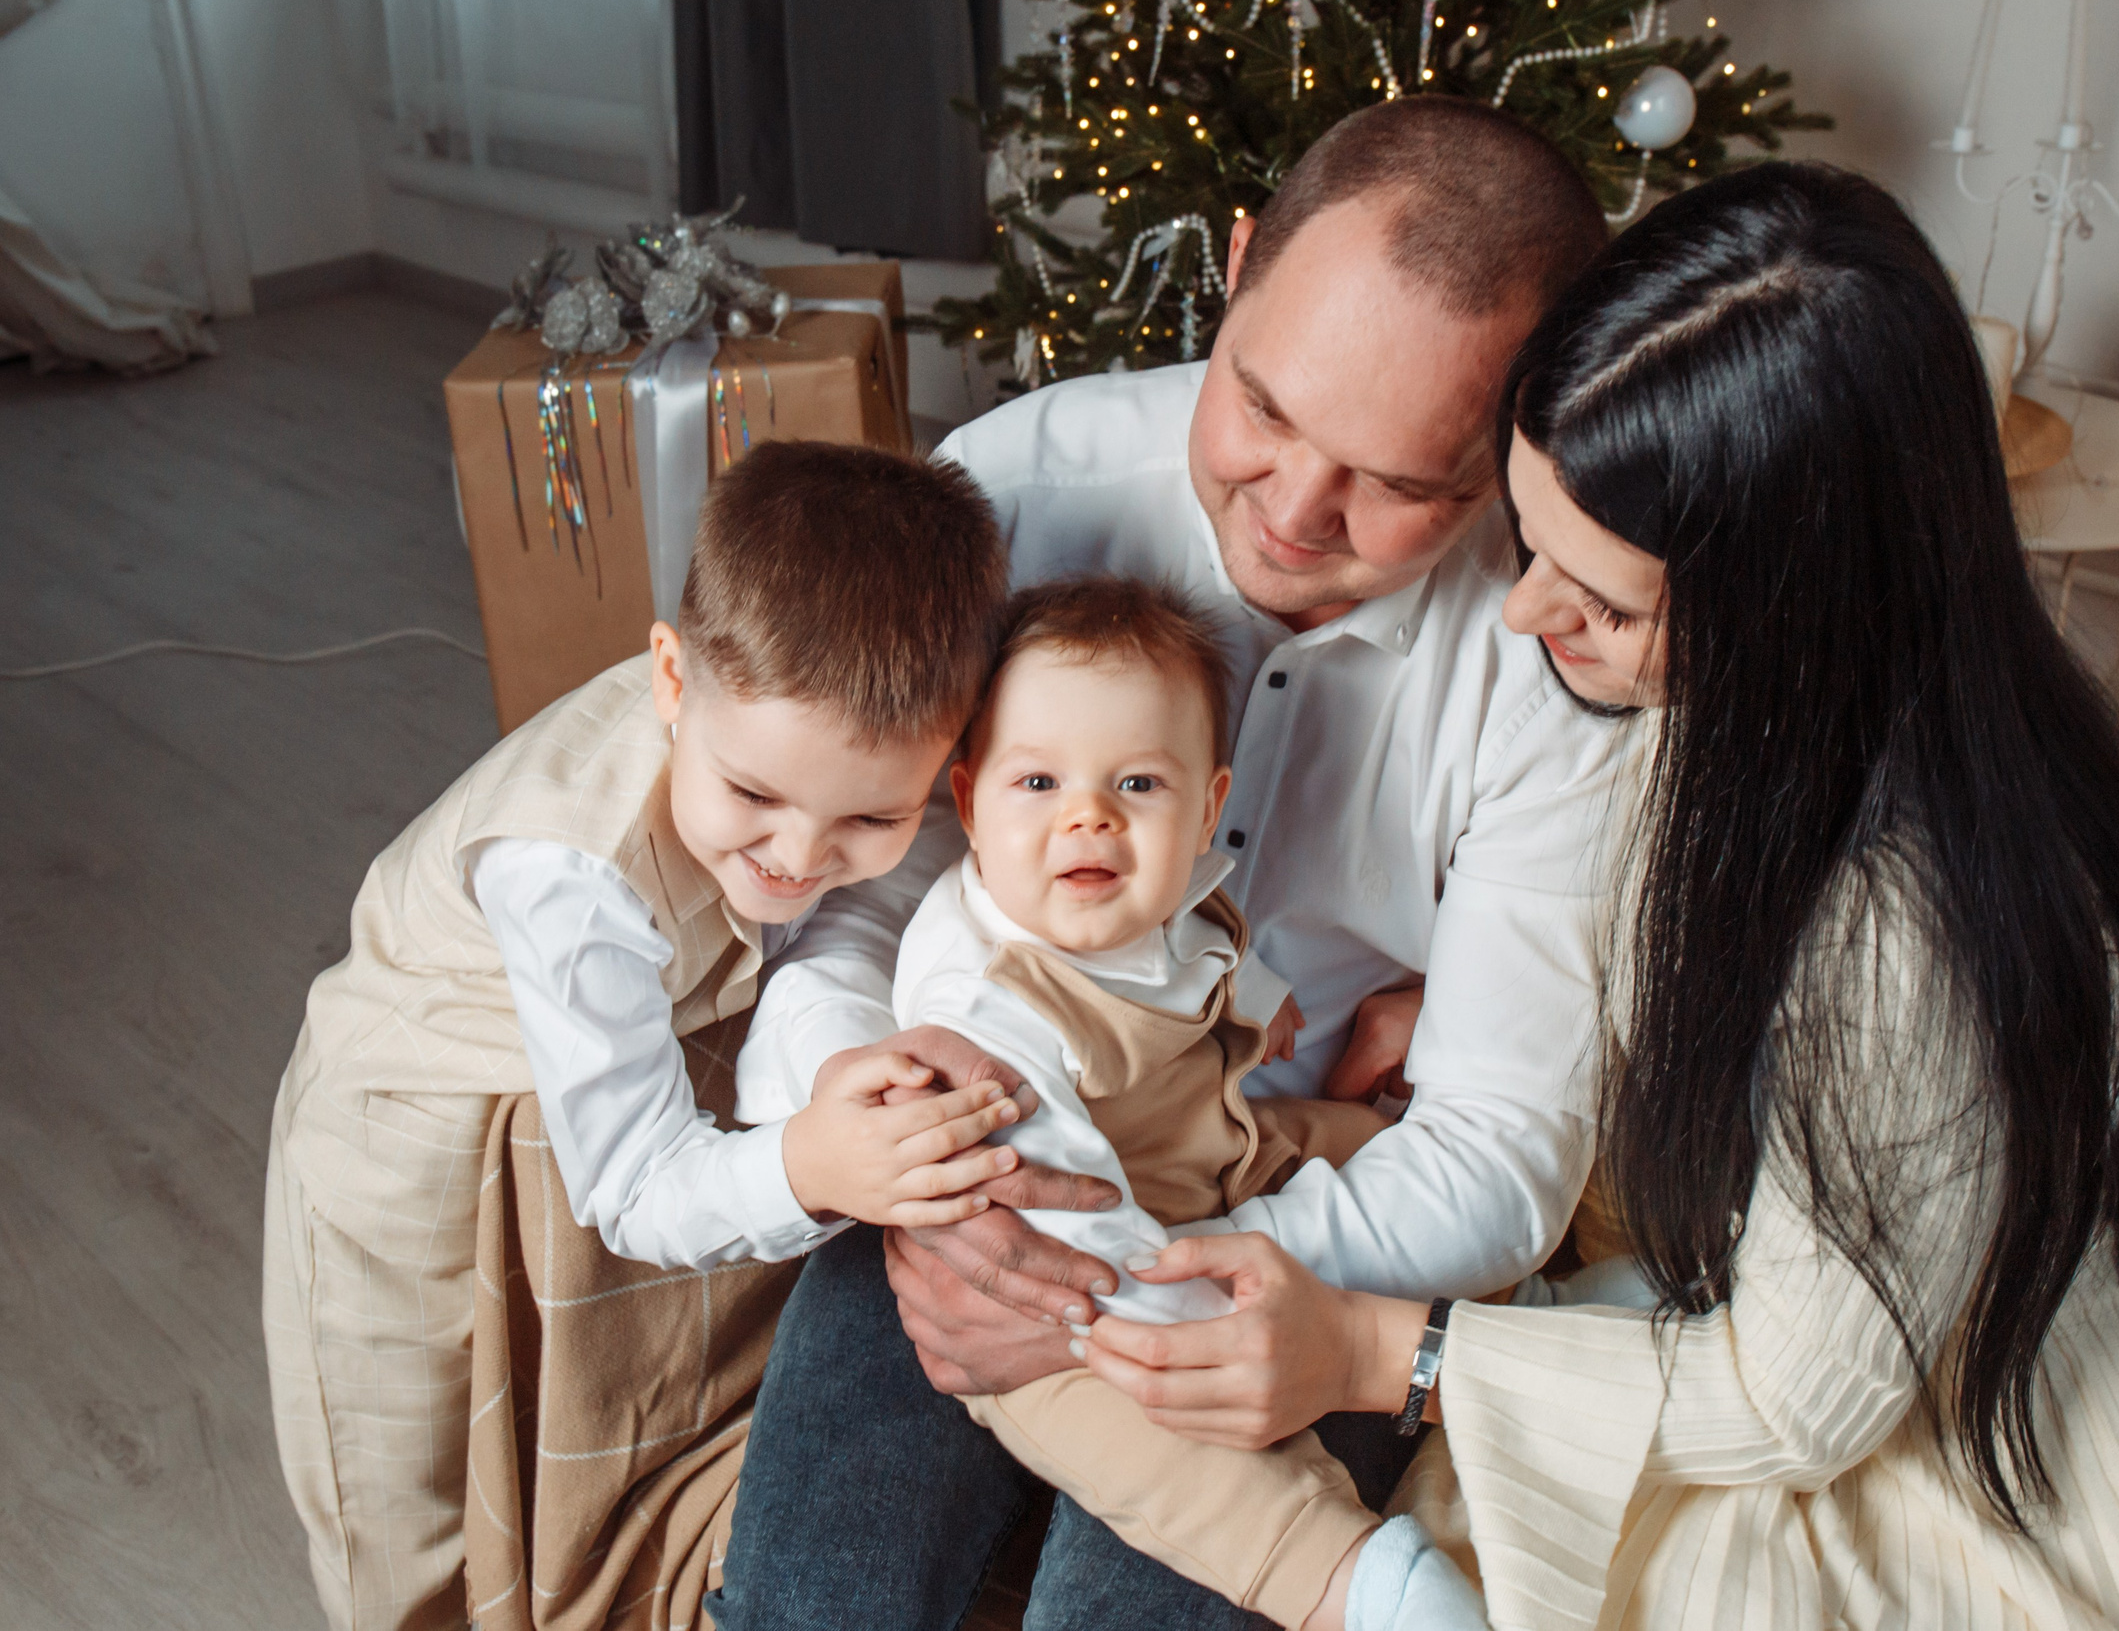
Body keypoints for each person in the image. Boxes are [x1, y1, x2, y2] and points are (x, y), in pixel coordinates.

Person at [1070, 165, 2119, 1631]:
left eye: (1599, 599)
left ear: (1793, 611)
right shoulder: (1750, 711)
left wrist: (1381, 1353)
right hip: (1762, 1287)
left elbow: (1802, 1397)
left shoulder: (1907, 924)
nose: (1526, 615)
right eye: (1525, 545)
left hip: (1960, 1438)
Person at [708, 97, 1637, 1631]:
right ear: (1238, 260)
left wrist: (1171, 1273)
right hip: (981, 1167)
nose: (1293, 511)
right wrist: (913, 1171)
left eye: (1399, 482)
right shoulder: (1011, 493)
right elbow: (851, 893)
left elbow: (1498, 1148)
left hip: (1292, 1223)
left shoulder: (1550, 655)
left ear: (1519, 435)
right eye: (1265, 411)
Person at [262, 442, 1051, 1631]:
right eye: (754, 796)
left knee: (561, 1442)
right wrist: (805, 1166)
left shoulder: (825, 780)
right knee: (410, 1488)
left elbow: (826, 941)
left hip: (595, 1095)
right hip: (404, 1137)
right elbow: (631, 1182)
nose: (797, 855)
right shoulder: (568, 868)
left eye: (871, 817)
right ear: (671, 680)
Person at [894, 576, 1411, 1630]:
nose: (1088, 813)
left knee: (1390, 1153)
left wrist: (1265, 1012)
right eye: (1037, 780)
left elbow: (1204, 942)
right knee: (1181, 1452)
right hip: (1062, 1291)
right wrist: (1198, 1322)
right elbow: (1073, 1231)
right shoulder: (984, 1013)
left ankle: (1520, 1319)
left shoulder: (1164, 886)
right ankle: (1368, 1585)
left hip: (1220, 1147)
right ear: (969, 804)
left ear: (1207, 806)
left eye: (1136, 783)